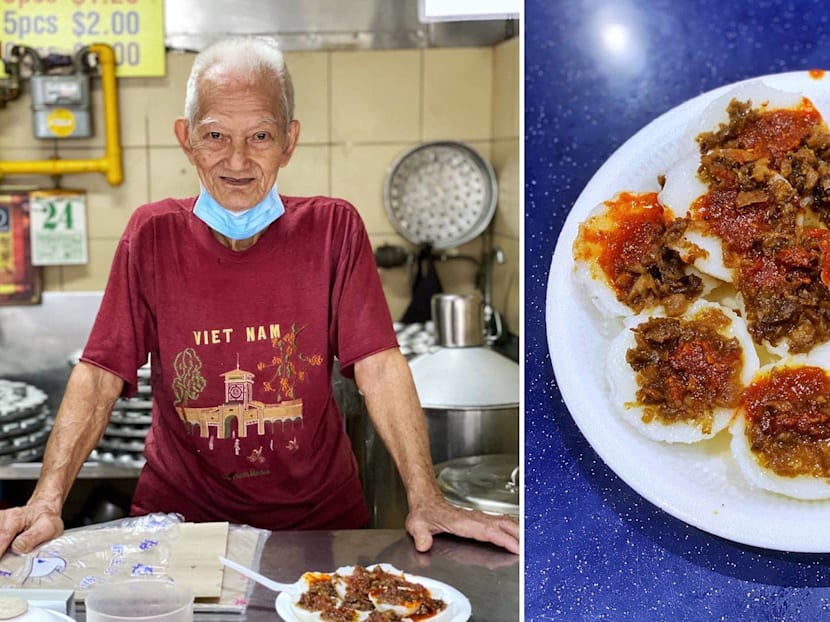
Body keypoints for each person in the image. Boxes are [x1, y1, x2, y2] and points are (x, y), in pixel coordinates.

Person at [0, 36, 519, 557]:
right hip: (181, 526)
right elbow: (98, 374)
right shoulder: (152, 235)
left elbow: (379, 367)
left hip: (319, 527)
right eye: (215, 135)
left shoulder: (333, 228)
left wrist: (425, 496)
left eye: (261, 135)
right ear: (186, 139)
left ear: (289, 141)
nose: (237, 159)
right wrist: (47, 500)